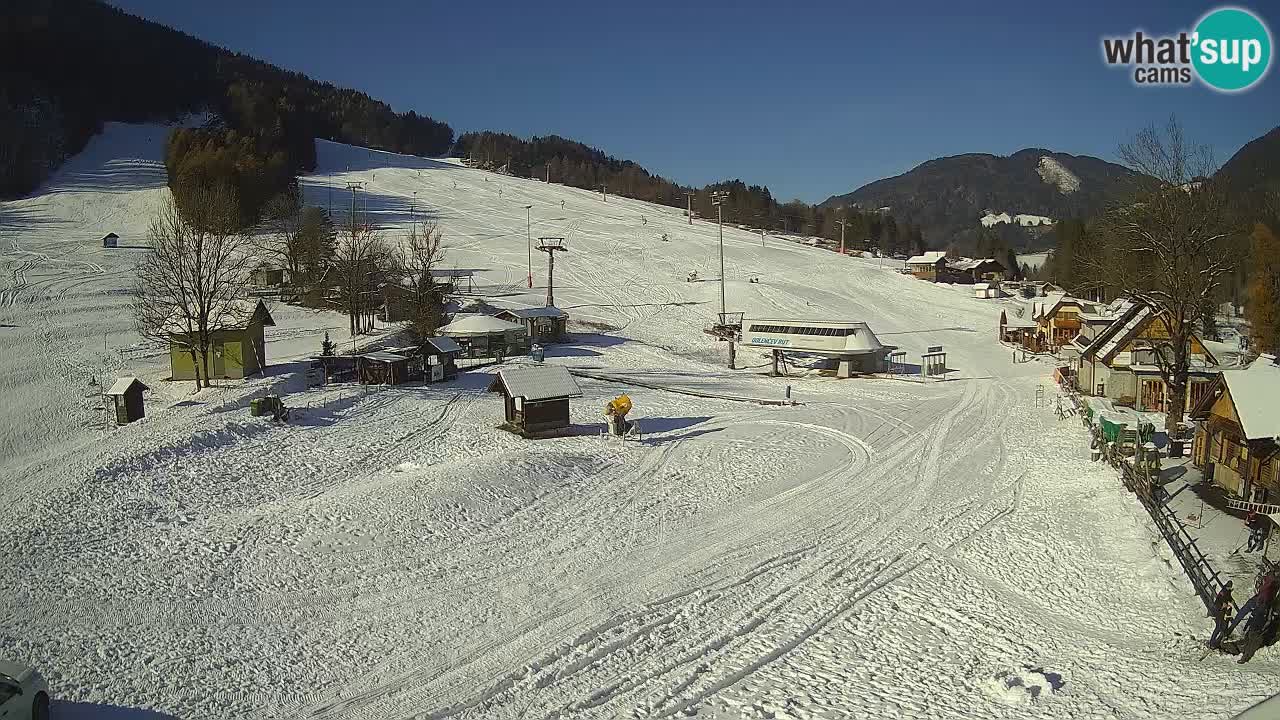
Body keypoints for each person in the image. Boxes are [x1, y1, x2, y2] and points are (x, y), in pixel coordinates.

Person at [1209, 581, 1234, 649]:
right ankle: (1211, 642)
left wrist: (1231, 601)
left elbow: (1228, 598)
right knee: (1218, 627)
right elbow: (1219, 602)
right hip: (1219, 611)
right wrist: (1223, 605)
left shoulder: (1227, 591)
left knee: (1222, 626)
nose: (1229, 588)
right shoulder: (1223, 592)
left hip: (1222, 611)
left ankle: (1219, 640)